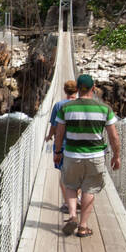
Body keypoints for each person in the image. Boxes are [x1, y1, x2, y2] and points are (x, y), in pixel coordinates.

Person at [52, 73, 121, 237]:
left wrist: (57, 152)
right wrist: (116, 156)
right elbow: (114, 137)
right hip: (95, 156)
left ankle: (72, 216)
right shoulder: (105, 109)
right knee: (89, 189)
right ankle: (83, 227)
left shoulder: (66, 108)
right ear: (93, 88)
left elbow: (59, 134)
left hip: (71, 154)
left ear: (77, 89)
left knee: (70, 185)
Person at [44, 79, 77, 213]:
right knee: (77, 174)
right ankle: (77, 198)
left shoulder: (58, 105)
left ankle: (67, 202)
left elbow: (54, 125)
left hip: (62, 145)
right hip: (78, 145)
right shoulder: (81, 105)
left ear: (64, 90)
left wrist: (49, 136)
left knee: (64, 175)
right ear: (77, 90)